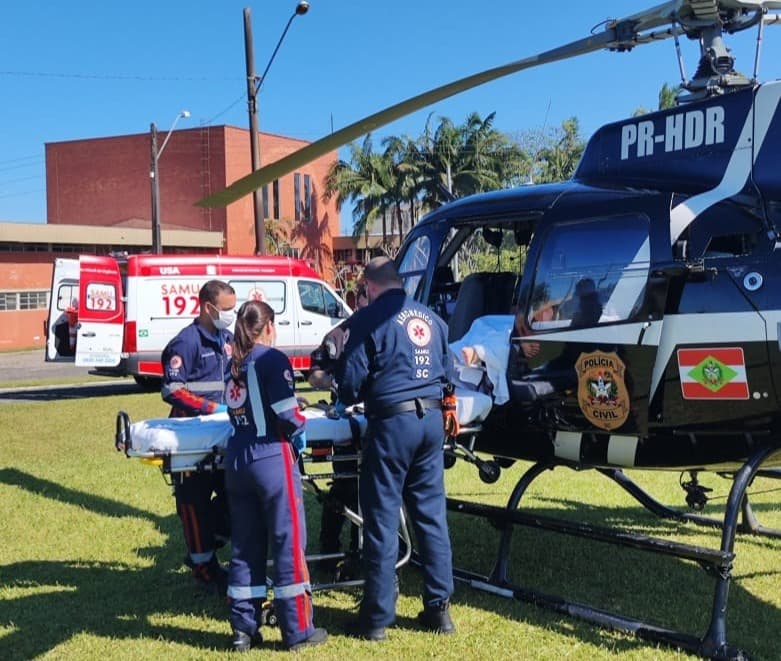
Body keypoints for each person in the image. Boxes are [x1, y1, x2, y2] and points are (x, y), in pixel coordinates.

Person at [335, 256, 456, 641]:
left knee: (382, 518)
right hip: (430, 422)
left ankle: (376, 618)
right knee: (431, 516)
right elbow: (448, 373)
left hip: (392, 425)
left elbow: (350, 383)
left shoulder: (368, 319)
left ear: (369, 286)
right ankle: (439, 610)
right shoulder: (431, 318)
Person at [223, 299, 327, 653]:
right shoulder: (272, 359)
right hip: (270, 455)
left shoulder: (233, 362)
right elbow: (287, 414)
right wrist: (302, 425)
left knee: (245, 544)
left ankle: (243, 629)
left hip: (237, 455)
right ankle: (297, 630)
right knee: (288, 542)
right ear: (269, 327)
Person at [161, 279, 235, 595]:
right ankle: (204, 569)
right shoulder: (186, 343)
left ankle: (211, 539)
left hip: (223, 434)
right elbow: (173, 390)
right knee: (193, 503)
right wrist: (211, 407)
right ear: (208, 307)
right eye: (226, 309)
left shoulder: (228, 339)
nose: (231, 315)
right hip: (191, 440)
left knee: (236, 495)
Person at [308, 282, 368, 578]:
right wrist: (332, 382)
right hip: (347, 422)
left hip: (380, 422)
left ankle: (366, 552)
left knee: (377, 491)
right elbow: (314, 372)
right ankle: (329, 550)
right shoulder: (339, 335)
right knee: (345, 488)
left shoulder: (391, 327)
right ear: (358, 299)